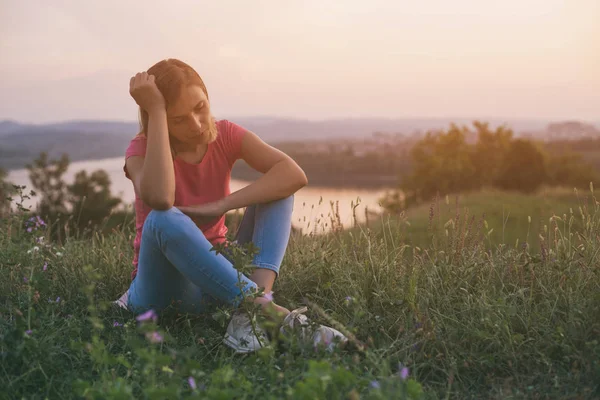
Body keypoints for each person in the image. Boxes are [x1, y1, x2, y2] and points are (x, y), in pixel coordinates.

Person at [113, 58, 346, 353]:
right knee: (162, 219)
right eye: (178, 119)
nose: (196, 125)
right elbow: (160, 198)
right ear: (159, 120)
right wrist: (155, 109)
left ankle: (245, 317)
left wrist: (221, 205)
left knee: (278, 191)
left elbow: (292, 174)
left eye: (200, 107)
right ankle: (271, 314)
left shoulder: (224, 135)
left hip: (217, 281)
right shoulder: (141, 149)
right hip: (163, 291)